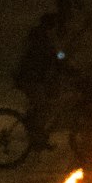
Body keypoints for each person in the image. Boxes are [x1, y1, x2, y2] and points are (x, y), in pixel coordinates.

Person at [12, 12, 64, 145]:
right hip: (30, 79)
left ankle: (34, 128)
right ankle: (36, 136)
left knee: (42, 104)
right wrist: (63, 58)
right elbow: (55, 56)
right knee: (42, 106)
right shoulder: (43, 39)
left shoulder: (40, 36)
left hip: (32, 77)